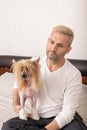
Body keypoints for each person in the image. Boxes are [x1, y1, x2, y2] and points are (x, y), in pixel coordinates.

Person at [1, 25, 86, 130]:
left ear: (68, 50)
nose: (53, 48)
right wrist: (16, 105)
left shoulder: (73, 74)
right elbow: (17, 83)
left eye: (60, 45)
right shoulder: (34, 62)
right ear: (48, 41)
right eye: (52, 42)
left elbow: (68, 112)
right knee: (7, 127)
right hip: (35, 117)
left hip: (59, 118)